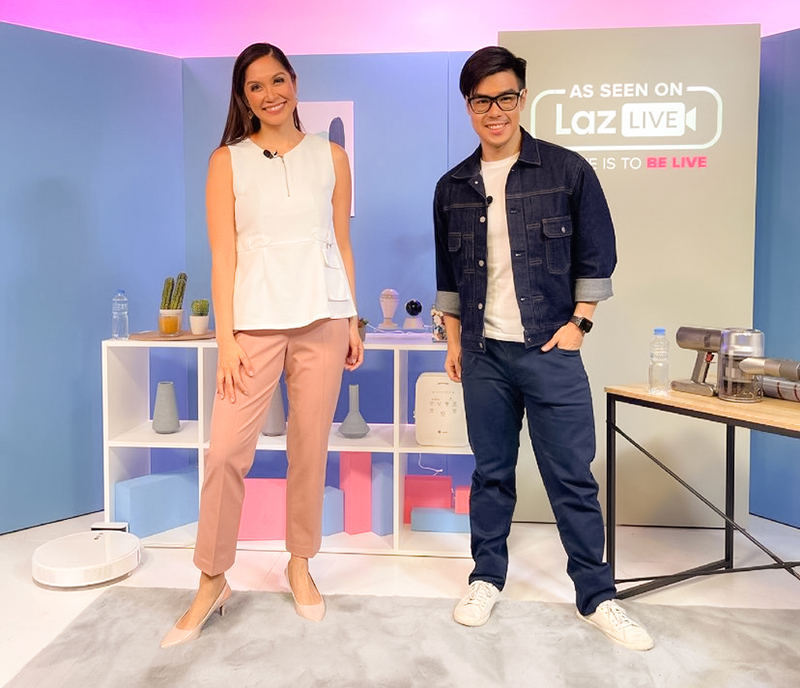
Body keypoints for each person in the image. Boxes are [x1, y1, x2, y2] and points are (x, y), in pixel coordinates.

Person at [433, 46, 653, 651]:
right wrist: (453, 340)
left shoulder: (566, 170)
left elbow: (597, 255)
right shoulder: (452, 187)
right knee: (491, 474)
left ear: (522, 98)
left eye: (506, 97)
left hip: (550, 350)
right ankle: (486, 578)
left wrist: (580, 323)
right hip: (483, 353)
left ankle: (596, 596)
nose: (495, 111)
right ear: (469, 106)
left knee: (572, 477)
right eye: (482, 101)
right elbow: (448, 275)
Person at [161, 42, 363, 648]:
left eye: (278, 80)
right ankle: (212, 578)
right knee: (225, 452)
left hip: (324, 317)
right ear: (243, 97)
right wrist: (226, 339)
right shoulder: (227, 161)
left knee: (310, 448)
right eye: (255, 86)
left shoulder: (332, 156)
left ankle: (300, 564)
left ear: (294, 82)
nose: (270, 93)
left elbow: (340, 243)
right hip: (253, 324)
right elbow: (223, 256)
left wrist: (352, 319)